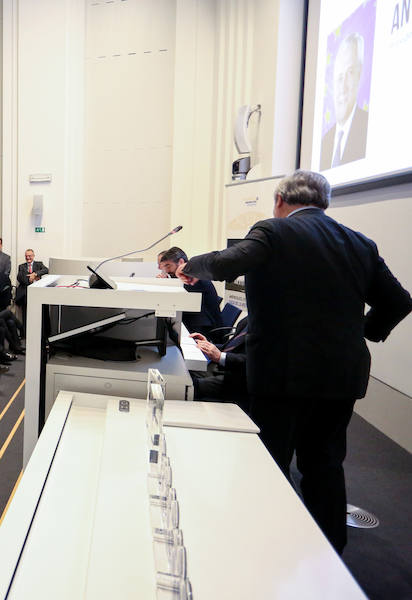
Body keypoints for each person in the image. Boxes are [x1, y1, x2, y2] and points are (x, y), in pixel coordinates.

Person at [175, 170, 412, 554]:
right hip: (342, 377)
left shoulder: (273, 231)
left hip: (283, 374)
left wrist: (189, 267)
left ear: (280, 201)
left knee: (272, 461)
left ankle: (267, 549)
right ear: (325, 203)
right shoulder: (359, 243)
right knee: (325, 464)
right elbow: (399, 301)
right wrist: (362, 332)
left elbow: (224, 264)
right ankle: (329, 555)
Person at [320, 33, 368, 170]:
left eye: (350, 73)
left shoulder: (367, 125)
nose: (343, 86)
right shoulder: (324, 141)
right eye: (340, 76)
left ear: (360, 75)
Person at [157, 247, 224, 341]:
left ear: (180, 262)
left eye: (168, 266)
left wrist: (165, 284)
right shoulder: (191, 274)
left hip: (205, 330)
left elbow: (180, 302)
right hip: (197, 321)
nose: (167, 270)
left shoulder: (193, 276)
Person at [189, 317, 250, 411]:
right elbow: (232, 347)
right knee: (187, 370)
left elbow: (252, 364)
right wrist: (207, 345)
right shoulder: (250, 319)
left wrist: (220, 356)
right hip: (224, 368)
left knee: (189, 385)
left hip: (237, 381)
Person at [15, 249, 48, 322]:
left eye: (29, 256)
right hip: (25, 295)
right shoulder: (21, 266)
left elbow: (46, 270)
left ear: (33, 256)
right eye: (26, 256)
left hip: (37, 294)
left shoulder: (39, 264)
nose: (28, 258)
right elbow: (20, 278)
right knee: (26, 317)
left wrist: (35, 274)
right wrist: (32, 278)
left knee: (38, 316)